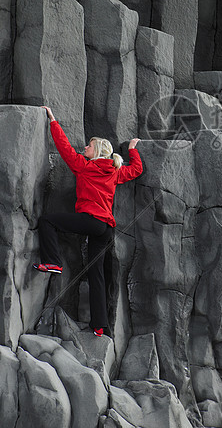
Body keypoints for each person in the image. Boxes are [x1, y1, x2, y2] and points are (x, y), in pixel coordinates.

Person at [34, 106, 143, 337]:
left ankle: (52, 261)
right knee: (97, 275)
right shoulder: (114, 171)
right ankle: (99, 326)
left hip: (92, 221)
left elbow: (64, 149)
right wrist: (132, 150)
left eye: (89, 146)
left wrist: (53, 120)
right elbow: (136, 170)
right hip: (105, 229)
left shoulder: (85, 167)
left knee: (47, 221)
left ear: (98, 151)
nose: (85, 147)